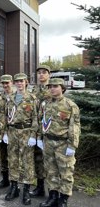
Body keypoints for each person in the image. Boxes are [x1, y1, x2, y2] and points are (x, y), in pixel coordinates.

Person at [39, 78, 80, 207]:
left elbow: (74, 126)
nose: (52, 88)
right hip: (48, 142)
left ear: (62, 88)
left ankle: (63, 200)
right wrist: (39, 138)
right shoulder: (45, 104)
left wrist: (72, 145)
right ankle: (52, 197)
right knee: (51, 172)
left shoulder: (70, 105)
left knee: (66, 173)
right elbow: (41, 121)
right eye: (50, 86)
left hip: (63, 144)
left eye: (55, 86)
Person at [4, 73, 38, 205]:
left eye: (21, 81)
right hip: (12, 131)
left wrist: (33, 135)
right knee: (12, 160)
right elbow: (6, 116)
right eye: (17, 81)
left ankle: (26, 191)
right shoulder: (10, 97)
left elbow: (36, 117)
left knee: (27, 162)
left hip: (26, 132)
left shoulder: (32, 98)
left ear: (26, 82)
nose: (19, 83)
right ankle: (14, 188)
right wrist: (5, 132)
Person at [30, 65, 51, 198]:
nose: (41, 75)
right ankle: (40, 187)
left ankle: (54, 192)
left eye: (44, 73)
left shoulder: (53, 88)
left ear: (49, 75)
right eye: (39, 73)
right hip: (36, 129)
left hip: (49, 129)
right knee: (38, 159)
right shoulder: (34, 89)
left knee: (50, 161)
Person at [0, 74, 14, 189]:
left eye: (7, 83)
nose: (5, 85)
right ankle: (5, 179)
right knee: (3, 156)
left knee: (13, 157)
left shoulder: (17, 96)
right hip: (1, 131)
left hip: (14, 132)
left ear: (11, 82)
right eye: (3, 83)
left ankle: (14, 182)